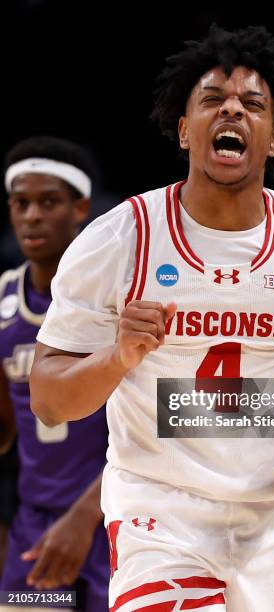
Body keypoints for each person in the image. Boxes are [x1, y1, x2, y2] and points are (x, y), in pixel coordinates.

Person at [30, 25, 274, 611]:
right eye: (213, 99)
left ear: (272, 139)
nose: (233, 108)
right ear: (185, 129)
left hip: (270, 518)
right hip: (158, 508)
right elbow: (49, 400)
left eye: (253, 103)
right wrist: (118, 357)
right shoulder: (119, 241)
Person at [0, 136, 110, 611]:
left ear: (80, 206)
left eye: (48, 202)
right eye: (21, 203)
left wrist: (85, 516)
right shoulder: (2, 301)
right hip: (35, 523)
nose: (32, 217)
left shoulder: (119, 299)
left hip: (115, 516)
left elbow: (163, 425)